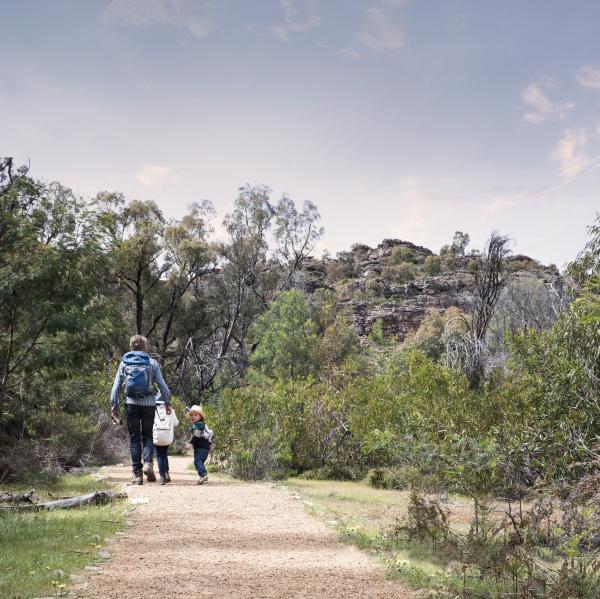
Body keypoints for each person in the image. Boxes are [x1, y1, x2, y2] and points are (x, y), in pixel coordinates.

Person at [111, 335, 171, 485]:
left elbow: (116, 387)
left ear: (131, 347)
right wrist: (167, 402)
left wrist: (114, 406)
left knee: (134, 440)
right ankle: (149, 463)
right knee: (148, 436)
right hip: (149, 404)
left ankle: (137, 475)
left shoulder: (124, 363)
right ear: (145, 347)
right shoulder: (152, 363)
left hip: (131, 404)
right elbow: (163, 386)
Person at [153, 399, 179, 485]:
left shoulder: (153, 409)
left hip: (157, 436)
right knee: (164, 454)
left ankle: (162, 477)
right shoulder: (170, 409)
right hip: (167, 437)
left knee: (159, 456)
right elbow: (176, 423)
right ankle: (167, 473)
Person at [185, 405, 212, 485]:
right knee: (199, 462)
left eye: (195, 415)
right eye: (192, 415)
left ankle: (203, 475)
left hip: (200, 447)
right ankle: (203, 476)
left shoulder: (197, 425)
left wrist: (190, 443)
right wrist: (210, 446)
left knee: (197, 461)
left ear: (200, 416)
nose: (193, 417)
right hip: (206, 447)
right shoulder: (203, 424)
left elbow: (196, 435)